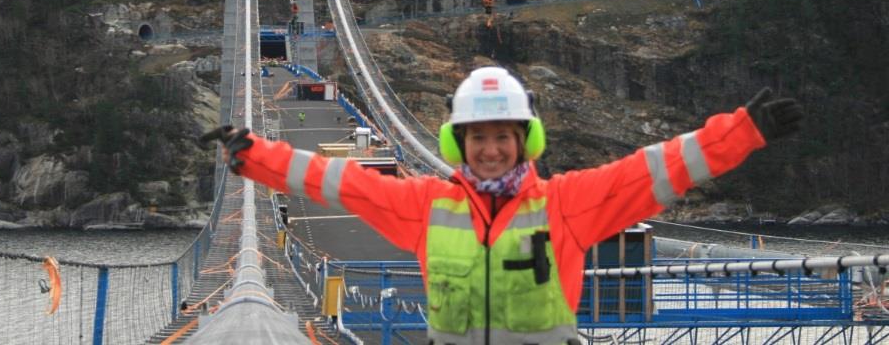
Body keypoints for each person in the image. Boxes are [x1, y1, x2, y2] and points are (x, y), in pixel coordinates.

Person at [203, 67, 802, 345]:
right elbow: (337, 180)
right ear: (460, 144)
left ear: (524, 141)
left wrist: (741, 133)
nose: (491, 150)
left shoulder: (567, 204)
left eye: (503, 137)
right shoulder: (423, 205)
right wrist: (254, 156)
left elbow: (653, 172)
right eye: (479, 139)